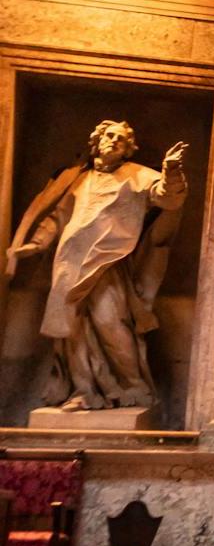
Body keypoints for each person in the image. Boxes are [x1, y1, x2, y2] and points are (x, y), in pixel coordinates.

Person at [5, 120, 187, 412]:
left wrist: (172, 171)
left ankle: (133, 387)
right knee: (72, 330)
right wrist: (37, 244)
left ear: (128, 149)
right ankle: (84, 391)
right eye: (109, 135)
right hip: (68, 261)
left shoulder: (137, 176)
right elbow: (58, 218)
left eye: (121, 139)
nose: (114, 141)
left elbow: (168, 197)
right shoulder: (79, 180)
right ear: (97, 140)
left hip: (107, 260)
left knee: (110, 323)